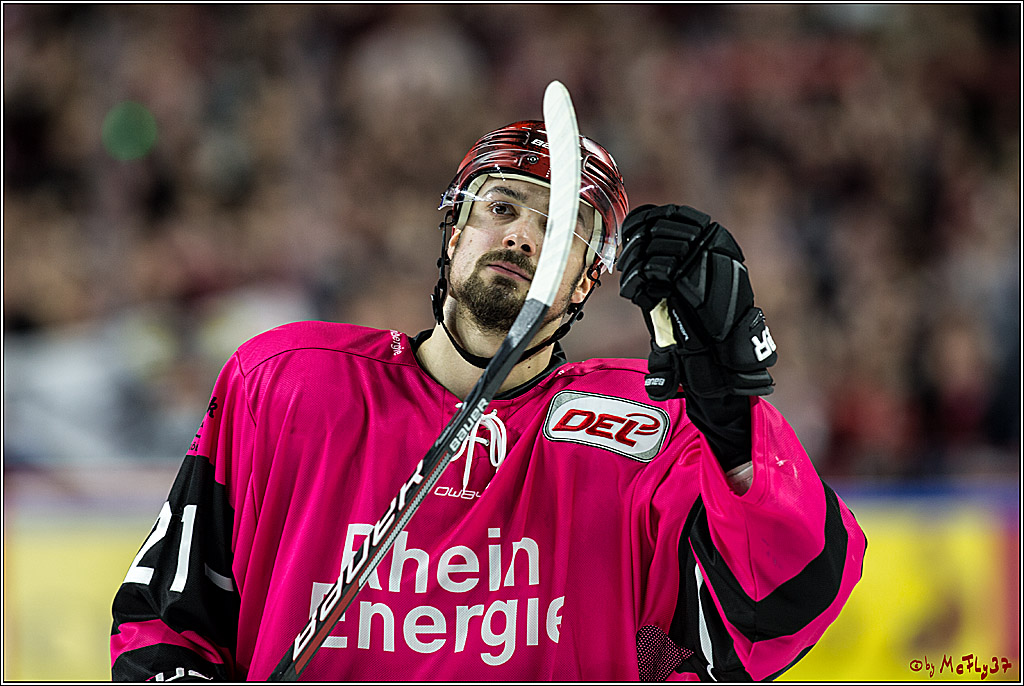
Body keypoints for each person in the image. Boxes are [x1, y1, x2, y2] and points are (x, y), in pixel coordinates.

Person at [110, 120, 866, 681]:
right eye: (500, 207)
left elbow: (780, 614)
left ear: (585, 282)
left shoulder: (648, 429)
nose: (522, 237)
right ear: (453, 229)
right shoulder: (285, 382)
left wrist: (732, 419)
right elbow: (165, 622)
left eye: (559, 230)